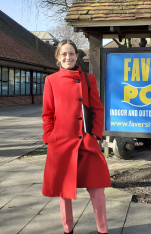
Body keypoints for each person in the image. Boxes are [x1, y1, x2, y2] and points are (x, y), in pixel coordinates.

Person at [41, 39, 111, 234]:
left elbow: (97, 108)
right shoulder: (51, 81)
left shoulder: (88, 79)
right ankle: (67, 230)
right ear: (58, 57)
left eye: (71, 53)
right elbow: (47, 114)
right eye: (64, 53)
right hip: (61, 143)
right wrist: (49, 137)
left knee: (97, 189)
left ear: (77, 55)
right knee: (64, 192)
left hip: (86, 142)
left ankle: (103, 230)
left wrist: (95, 135)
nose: (68, 57)